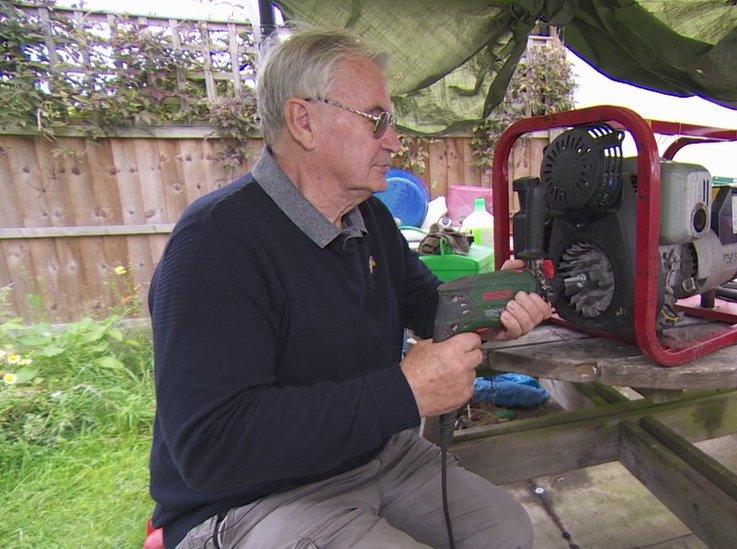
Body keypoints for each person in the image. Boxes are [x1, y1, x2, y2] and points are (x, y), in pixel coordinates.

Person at [148, 28, 551, 549]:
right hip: (254, 497)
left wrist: (496, 300)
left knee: (505, 530)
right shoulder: (216, 244)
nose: (393, 139)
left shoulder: (369, 219)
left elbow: (431, 309)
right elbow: (211, 448)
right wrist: (402, 392)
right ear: (304, 121)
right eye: (376, 119)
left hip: (374, 454)